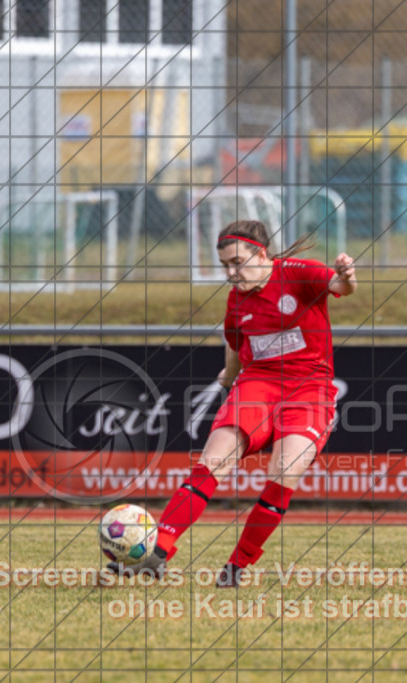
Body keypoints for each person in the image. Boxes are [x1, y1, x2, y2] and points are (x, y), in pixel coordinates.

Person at [108, 219, 357, 586]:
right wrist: (228, 375)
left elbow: (341, 288)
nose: (230, 272)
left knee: (284, 474)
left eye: (237, 262)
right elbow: (236, 342)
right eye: (224, 264)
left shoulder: (299, 273)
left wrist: (347, 275)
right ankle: (156, 553)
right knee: (211, 463)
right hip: (259, 383)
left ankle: (235, 568)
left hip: (310, 390)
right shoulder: (237, 299)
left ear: (261, 254)